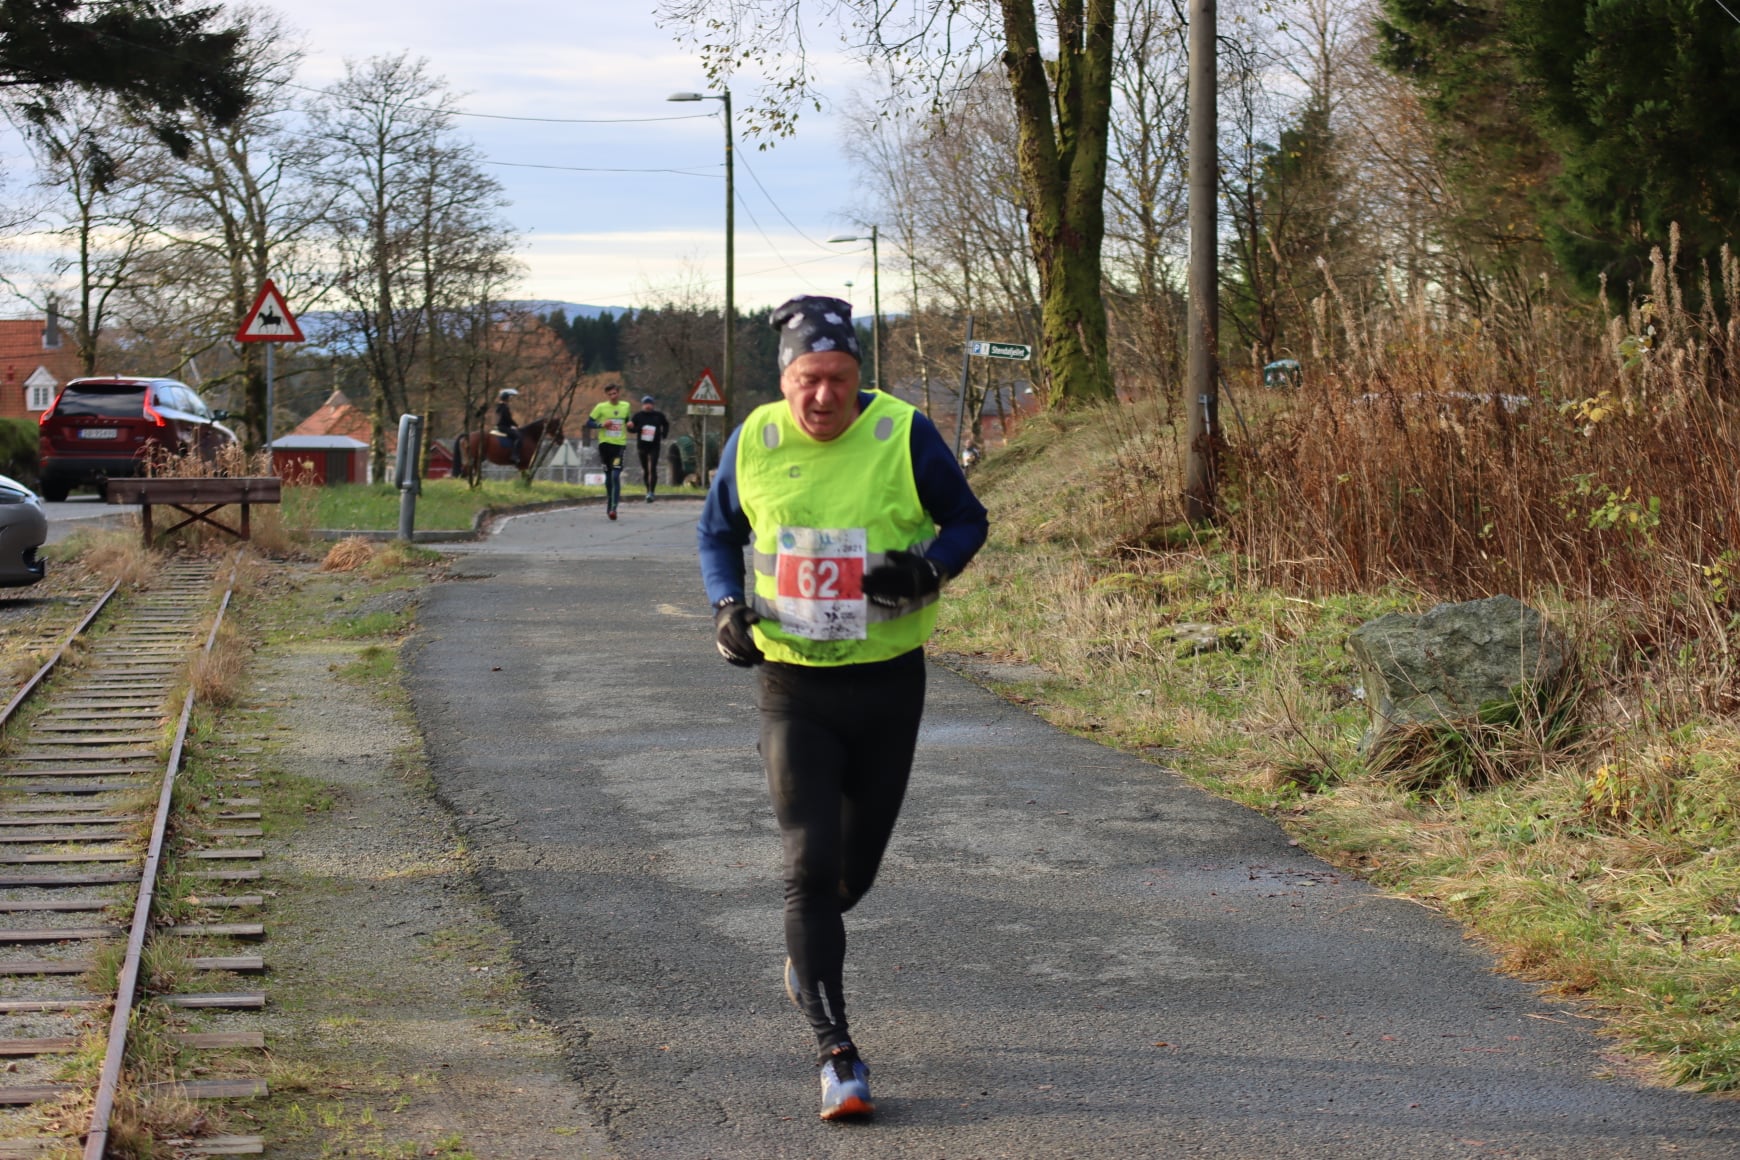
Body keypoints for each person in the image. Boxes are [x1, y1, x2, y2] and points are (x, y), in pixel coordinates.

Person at [697, 295, 988, 1121]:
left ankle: (809, 954)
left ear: (859, 376)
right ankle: (838, 1056)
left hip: (888, 682)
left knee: (849, 876)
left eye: (839, 379)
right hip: (793, 685)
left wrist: (930, 569)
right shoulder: (754, 439)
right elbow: (717, 533)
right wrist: (725, 606)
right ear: (783, 379)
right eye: (807, 379)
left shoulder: (903, 433)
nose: (823, 396)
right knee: (808, 869)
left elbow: (967, 521)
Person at [586, 383, 632, 519]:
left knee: (615, 475)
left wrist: (630, 425)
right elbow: (589, 423)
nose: (613, 396)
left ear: (618, 393)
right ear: (607, 395)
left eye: (614, 393)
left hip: (619, 446)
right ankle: (610, 502)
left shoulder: (626, 406)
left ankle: (613, 509)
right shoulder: (601, 407)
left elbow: (627, 422)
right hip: (605, 445)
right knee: (608, 477)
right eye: (610, 394)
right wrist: (601, 425)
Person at [627, 394, 671, 503]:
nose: (648, 406)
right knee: (646, 469)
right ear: (642, 405)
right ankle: (647, 490)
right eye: (646, 404)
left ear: (653, 405)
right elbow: (632, 430)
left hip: (654, 445)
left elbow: (666, 424)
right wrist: (631, 427)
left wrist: (664, 434)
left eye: (650, 404)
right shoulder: (638, 416)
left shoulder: (658, 415)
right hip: (642, 445)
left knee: (653, 468)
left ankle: (652, 492)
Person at [491, 388, 520, 456]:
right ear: (506, 399)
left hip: (498, 426)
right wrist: (516, 425)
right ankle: (514, 454)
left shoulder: (498, 407)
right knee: (517, 437)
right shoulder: (505, 408)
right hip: (504, 427)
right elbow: (508, 419)